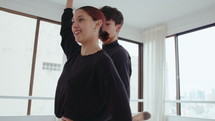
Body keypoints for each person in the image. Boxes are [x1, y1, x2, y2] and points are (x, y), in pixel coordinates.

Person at [54, 0, 132, 121]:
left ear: (97, 24)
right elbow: (65, 32)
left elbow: (120, 103)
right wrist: (69, 5)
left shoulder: (108, 59)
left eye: (81, 19)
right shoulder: (76, 54)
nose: (74, 25)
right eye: (73, 21)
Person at [100, 6, 151, 121]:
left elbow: (121, 92)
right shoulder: (100, 53)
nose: (102, 29)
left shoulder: (119, 54)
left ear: (118, 28)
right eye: (101, 24)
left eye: (107, 24)